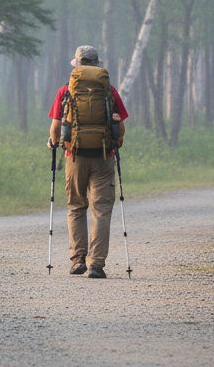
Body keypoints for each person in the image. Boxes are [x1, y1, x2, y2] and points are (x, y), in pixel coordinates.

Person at [47, 45, 128, 278]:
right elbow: (120, 129)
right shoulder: (110, 91)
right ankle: (96, 264)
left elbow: (55, 129)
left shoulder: (65, 91)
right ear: (97, 64)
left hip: (75, 156)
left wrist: (53, 143)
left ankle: (78, 260)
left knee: (76, 207)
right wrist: (117, 140)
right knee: (101, 211)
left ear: (77, 65)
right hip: (104, 157)